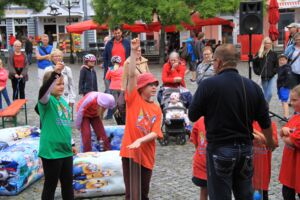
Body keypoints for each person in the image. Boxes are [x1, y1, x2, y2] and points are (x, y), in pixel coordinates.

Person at [188, 44, 277, 200]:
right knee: (245, 196)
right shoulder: (253, 87)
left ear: (219, 62)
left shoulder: (208, 85)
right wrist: (270, 141)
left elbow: (193, 115)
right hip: (245, 151)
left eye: (213, 61)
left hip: (220, 150)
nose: (213, 65)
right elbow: (265, 121)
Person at [120, 38, 162, 200]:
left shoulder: (157, 108)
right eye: (150, 84)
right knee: (132, 194)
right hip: (130, 153)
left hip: (147, 155)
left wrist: (141, 140)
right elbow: (130, 75)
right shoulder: (133, 100)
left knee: (143, 193)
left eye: (155, 84)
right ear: (141, 87)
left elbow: (155, 132)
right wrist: (132, 51)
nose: (153, 87)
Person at [37, 64, 76, 200]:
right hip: (51, 151)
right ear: (50, 84)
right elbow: (43, 91)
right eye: (58, 84)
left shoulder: (64, 103)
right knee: (51, 185)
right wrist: (56, 73)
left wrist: (72, 143)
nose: (61, 86)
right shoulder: (46, 102)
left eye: (62, 84)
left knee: (68, 185)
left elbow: (67, 124)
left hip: (66, 151)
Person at [103, 26, 130, 119]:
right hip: (112, 71)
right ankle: (111, 113)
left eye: (118, 33)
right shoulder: (109, 44)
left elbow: (130, 56)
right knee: (110, 91)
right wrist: (107, 70)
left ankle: (124, 112)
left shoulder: (127, 43)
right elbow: (105, 57)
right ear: (113, 33)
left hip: (124, 71)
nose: (117, 35)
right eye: (115, 33)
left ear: (121, 32)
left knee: (123, 92)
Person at [278, 85, 300, 200]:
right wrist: (284, 132)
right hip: (289, 168)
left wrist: (287, 135)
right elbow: (282, 132)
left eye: (295, 100)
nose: (291, 103)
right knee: (287, 194)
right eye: (291, 100)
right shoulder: (295, 116)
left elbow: (294, 141)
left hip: (298, 168)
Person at [252, 121, 278, 200]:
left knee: (261, 196)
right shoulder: (244, 121)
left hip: (262, 174)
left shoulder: (269, 124)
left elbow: (273, 144)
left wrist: (255, 132)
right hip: (247, 175)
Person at [253, 37, 278, 103]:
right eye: (267, 43)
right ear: (264, 44)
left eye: (269, 43)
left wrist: (274, 72)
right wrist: (258, 72)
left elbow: (276, 65)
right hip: (263, 77)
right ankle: (265, 108)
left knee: (269, 94)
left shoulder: (274, 54)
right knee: (266, 93)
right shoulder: (259, 53)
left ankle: (264, 108)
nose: (268, 45)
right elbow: (254, 64)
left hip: (271, 76)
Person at [190, 117, 208, 200]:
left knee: (204, 191)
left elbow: (196, 144)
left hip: (202, 161)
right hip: (209, 164)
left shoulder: (200, 121)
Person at [277, 54, 292, 120]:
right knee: (283, 101)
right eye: (280, 60)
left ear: (286, 60)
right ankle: (285, 115)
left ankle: (286, 116)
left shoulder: (287, 68)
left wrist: (284, 86)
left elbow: (289, 78)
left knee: (284, 101)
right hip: (280, 86)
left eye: (283, 60)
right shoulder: (281, 67)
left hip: (284, 87)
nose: (281, 61)